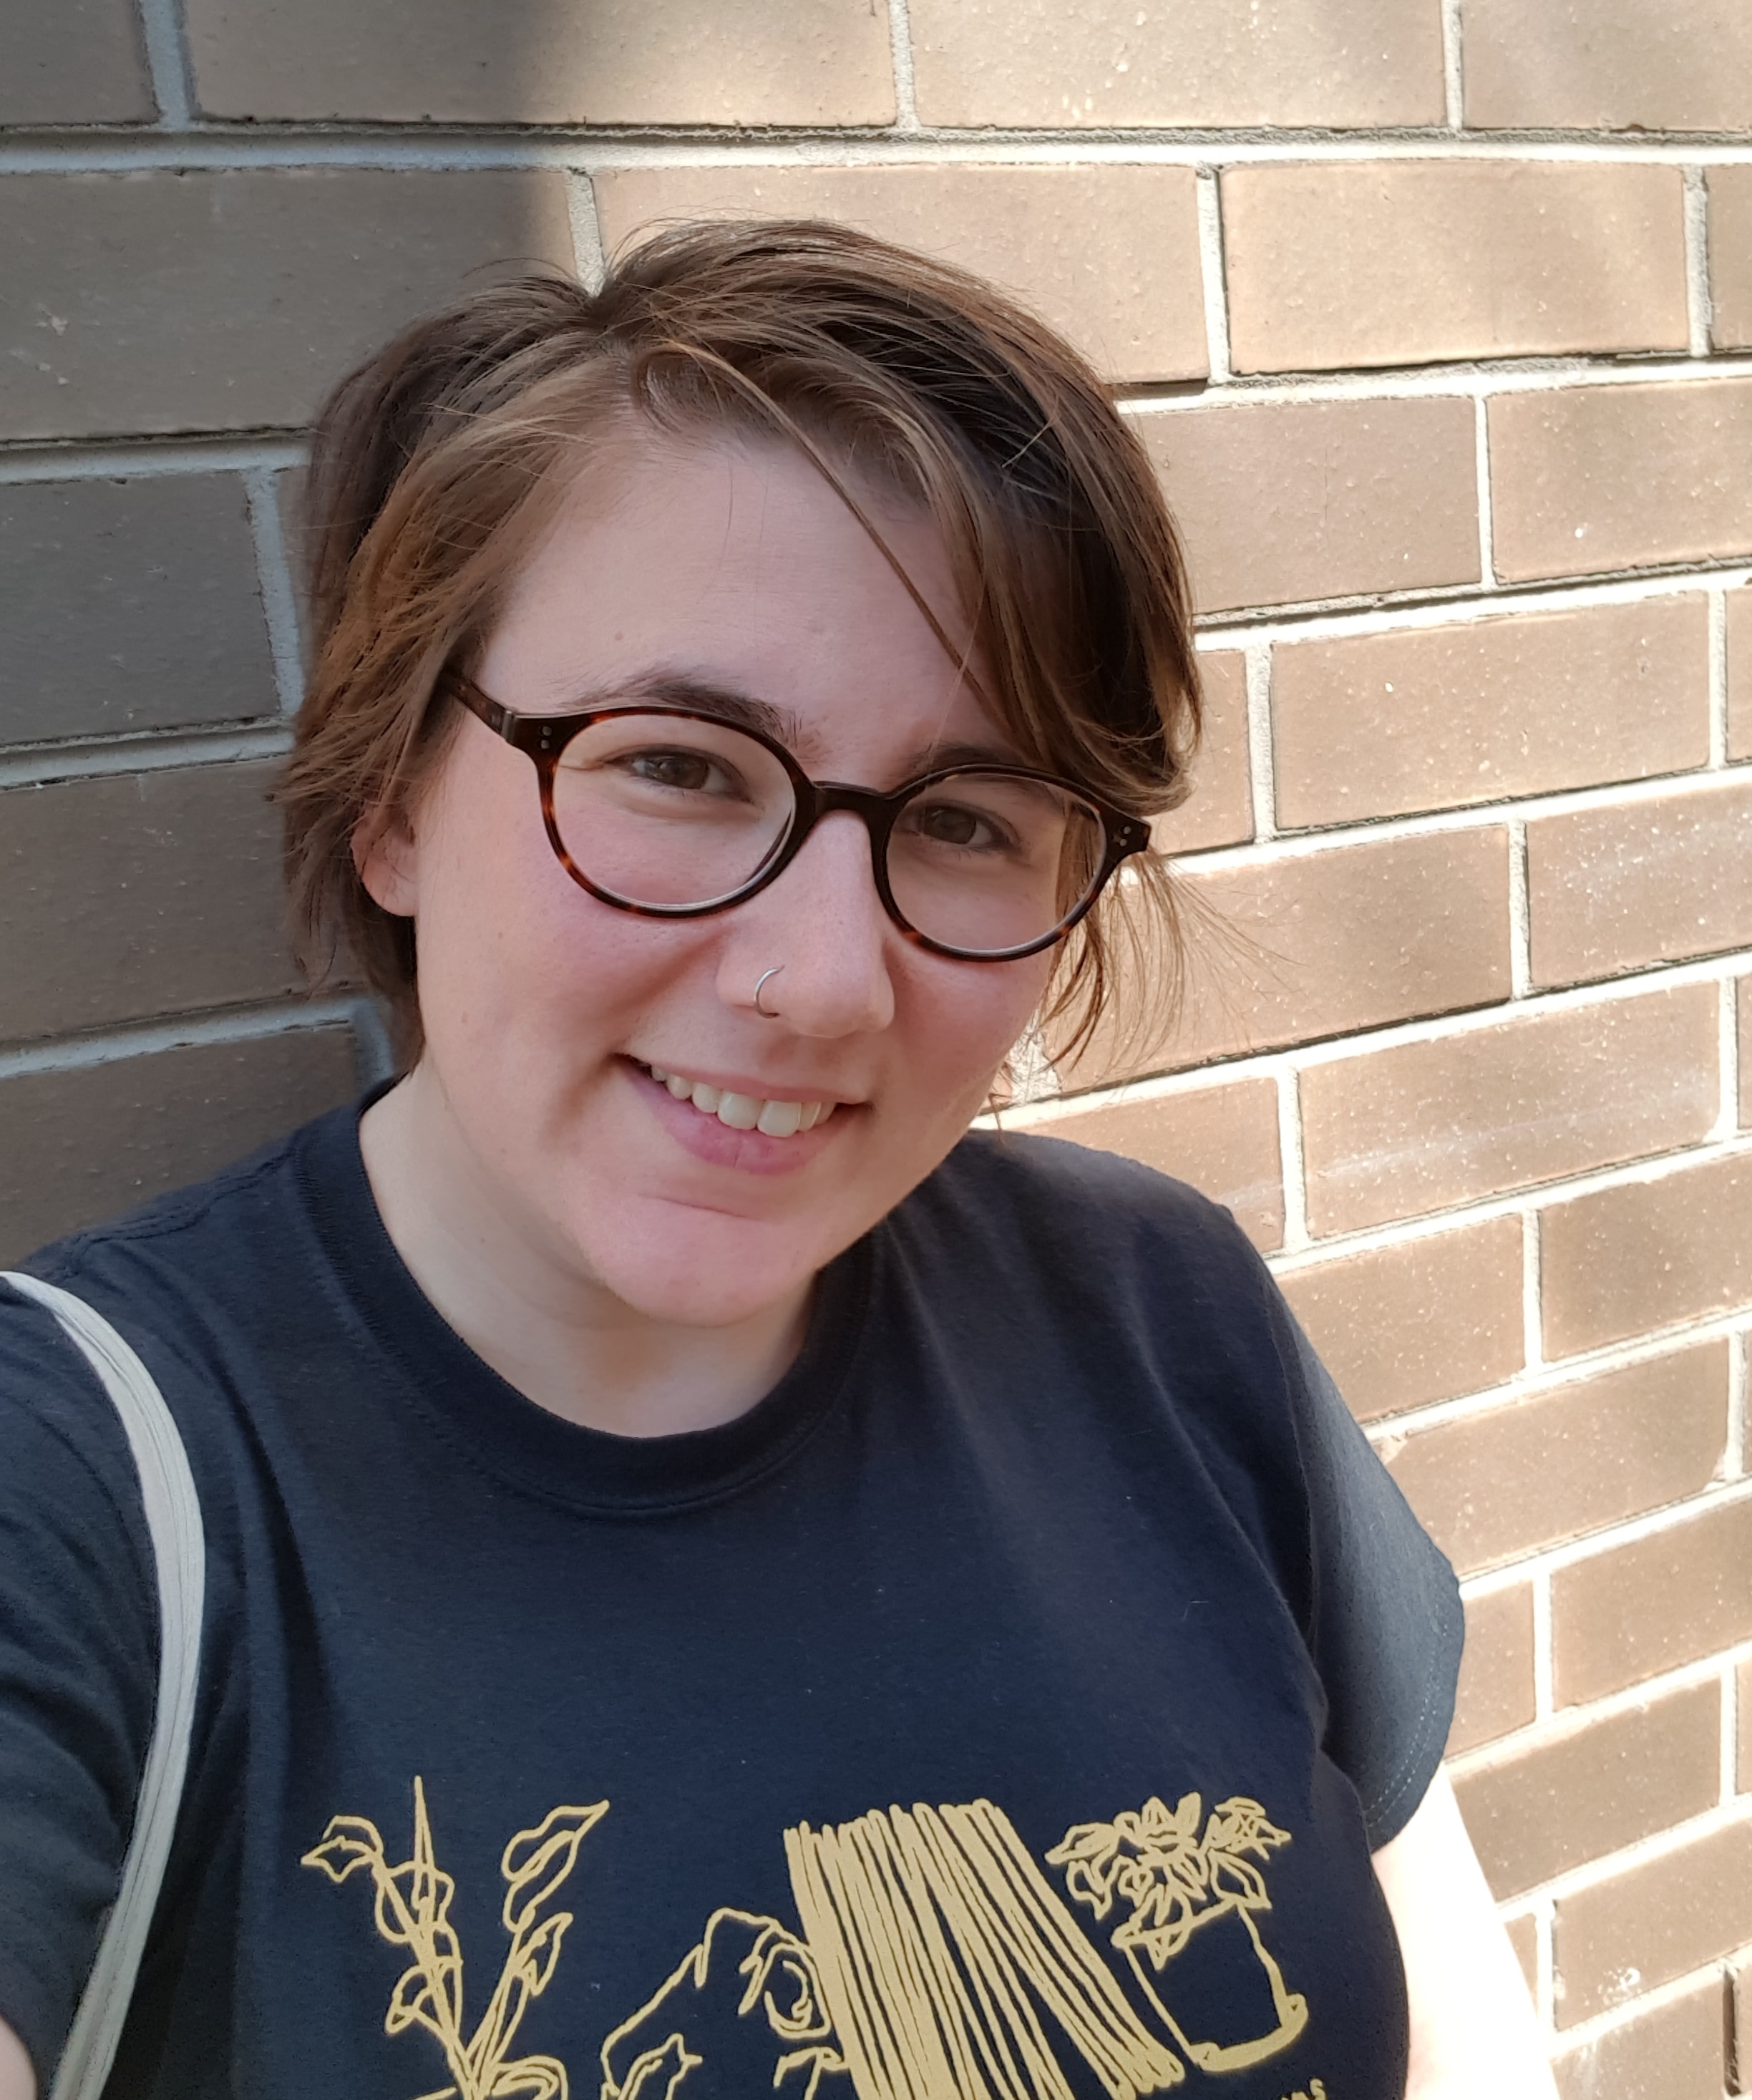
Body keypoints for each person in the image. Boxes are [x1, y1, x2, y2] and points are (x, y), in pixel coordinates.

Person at [0, 222, 1552, 2100]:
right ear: (393, 795)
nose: (822, 982)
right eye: (678, 766)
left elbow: (1458, 2019)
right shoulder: (86, 1492)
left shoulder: (1160, 1313)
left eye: (969, 818)